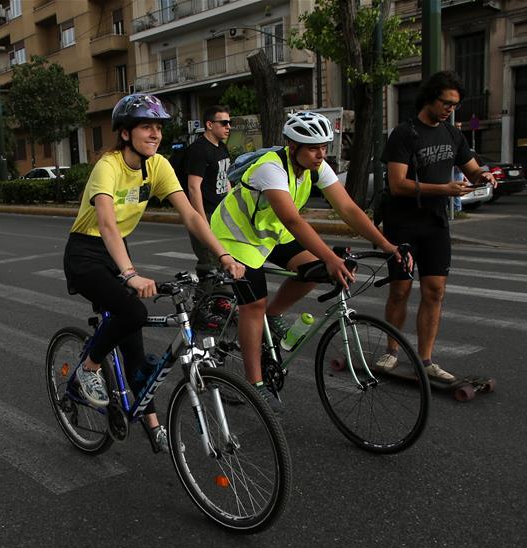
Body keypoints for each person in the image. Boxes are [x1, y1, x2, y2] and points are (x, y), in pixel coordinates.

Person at [63, 93, 246, 453]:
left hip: (118, 252)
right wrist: (130, 274)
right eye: (147, 127)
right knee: (133, 311)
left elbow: (192, 214)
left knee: (134, 338)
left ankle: (150, 421)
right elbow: (106, 222)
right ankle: (88, 367)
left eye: (159, 127)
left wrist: (223, 254)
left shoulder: (158, 166)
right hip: (86, 253)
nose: (155, 134)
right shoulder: (109, 166)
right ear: (126, 133)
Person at [210, 111, 411, 412]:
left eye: (324, 147)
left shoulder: (316, 168)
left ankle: (273, 315)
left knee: (316, 272)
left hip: (268, 233)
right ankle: (255, 385)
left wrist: (386, 245)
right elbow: (292, 220)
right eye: (313, 147)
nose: (321, 154)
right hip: (234, 237)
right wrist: (330, 257)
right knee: (253, 304)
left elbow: (348, 209)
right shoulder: (270, 168)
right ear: (293, 147)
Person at [378, 71, 496, 383]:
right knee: (400, 289)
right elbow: (397, 184)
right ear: (429, 98)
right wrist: (444, 189)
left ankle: (426, 359)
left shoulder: (453, 135)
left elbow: (472, 170)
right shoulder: (404, 133)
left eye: (454, 104)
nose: (450, 109)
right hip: (402, 224)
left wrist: (484, 176)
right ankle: (391, 351)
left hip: (435, 224)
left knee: (435, 291)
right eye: (446, 102)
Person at [184, 104, 232, 304]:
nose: (228, 127)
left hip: (221, 214)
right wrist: (201, 221)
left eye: (230, 123)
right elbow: (194, 187)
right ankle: (202, 308)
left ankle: (219, 303)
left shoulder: (221, 147)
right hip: (206, 214)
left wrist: (233, 207)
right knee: (208, 264)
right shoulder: (199, 150)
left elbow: (226, 178)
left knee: (222, 261)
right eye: (224, 123)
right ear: (210, 124)